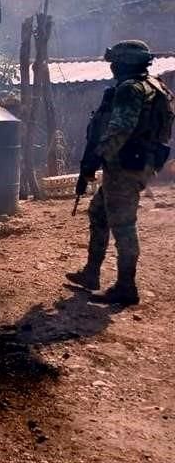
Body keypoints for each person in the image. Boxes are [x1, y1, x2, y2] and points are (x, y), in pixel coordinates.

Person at [66, 40, 174, 305]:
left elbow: (120, 129)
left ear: (125, 63)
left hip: (125, 164)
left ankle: (126, 287)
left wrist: (95, 160)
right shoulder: (155, 85)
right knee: (99, 212)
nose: (112, 66)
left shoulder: (130, 89)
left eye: (116, 61)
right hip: (138, 161)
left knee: (123, 224)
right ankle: (91, 274)